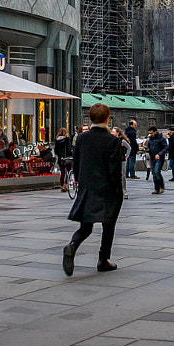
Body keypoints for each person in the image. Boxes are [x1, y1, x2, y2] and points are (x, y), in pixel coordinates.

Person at [63, 103, 126, 274]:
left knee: (86, 226)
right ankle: (103, 259)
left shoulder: (82, 138)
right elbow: (115, 170)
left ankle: (73, 245)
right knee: (109, 225)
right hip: (107, 189)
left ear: (90, 119)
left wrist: (80, 182)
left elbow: (76, 164)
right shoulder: (112, 141)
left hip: (87, 188)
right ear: (107, 119)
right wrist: (118, 190)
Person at [146, 127, 168, 193]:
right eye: (150, 133)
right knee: (154, 173)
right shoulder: (150, 139)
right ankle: (156, 188)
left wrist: (160, 154)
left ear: (155, 132)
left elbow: (165, 147)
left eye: (152, 133)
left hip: (159, 158)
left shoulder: (161, 139)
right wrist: (148, 150)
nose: (151, 134)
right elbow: (150, 146)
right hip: (152, 157)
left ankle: (161, 186)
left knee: (157, 172)